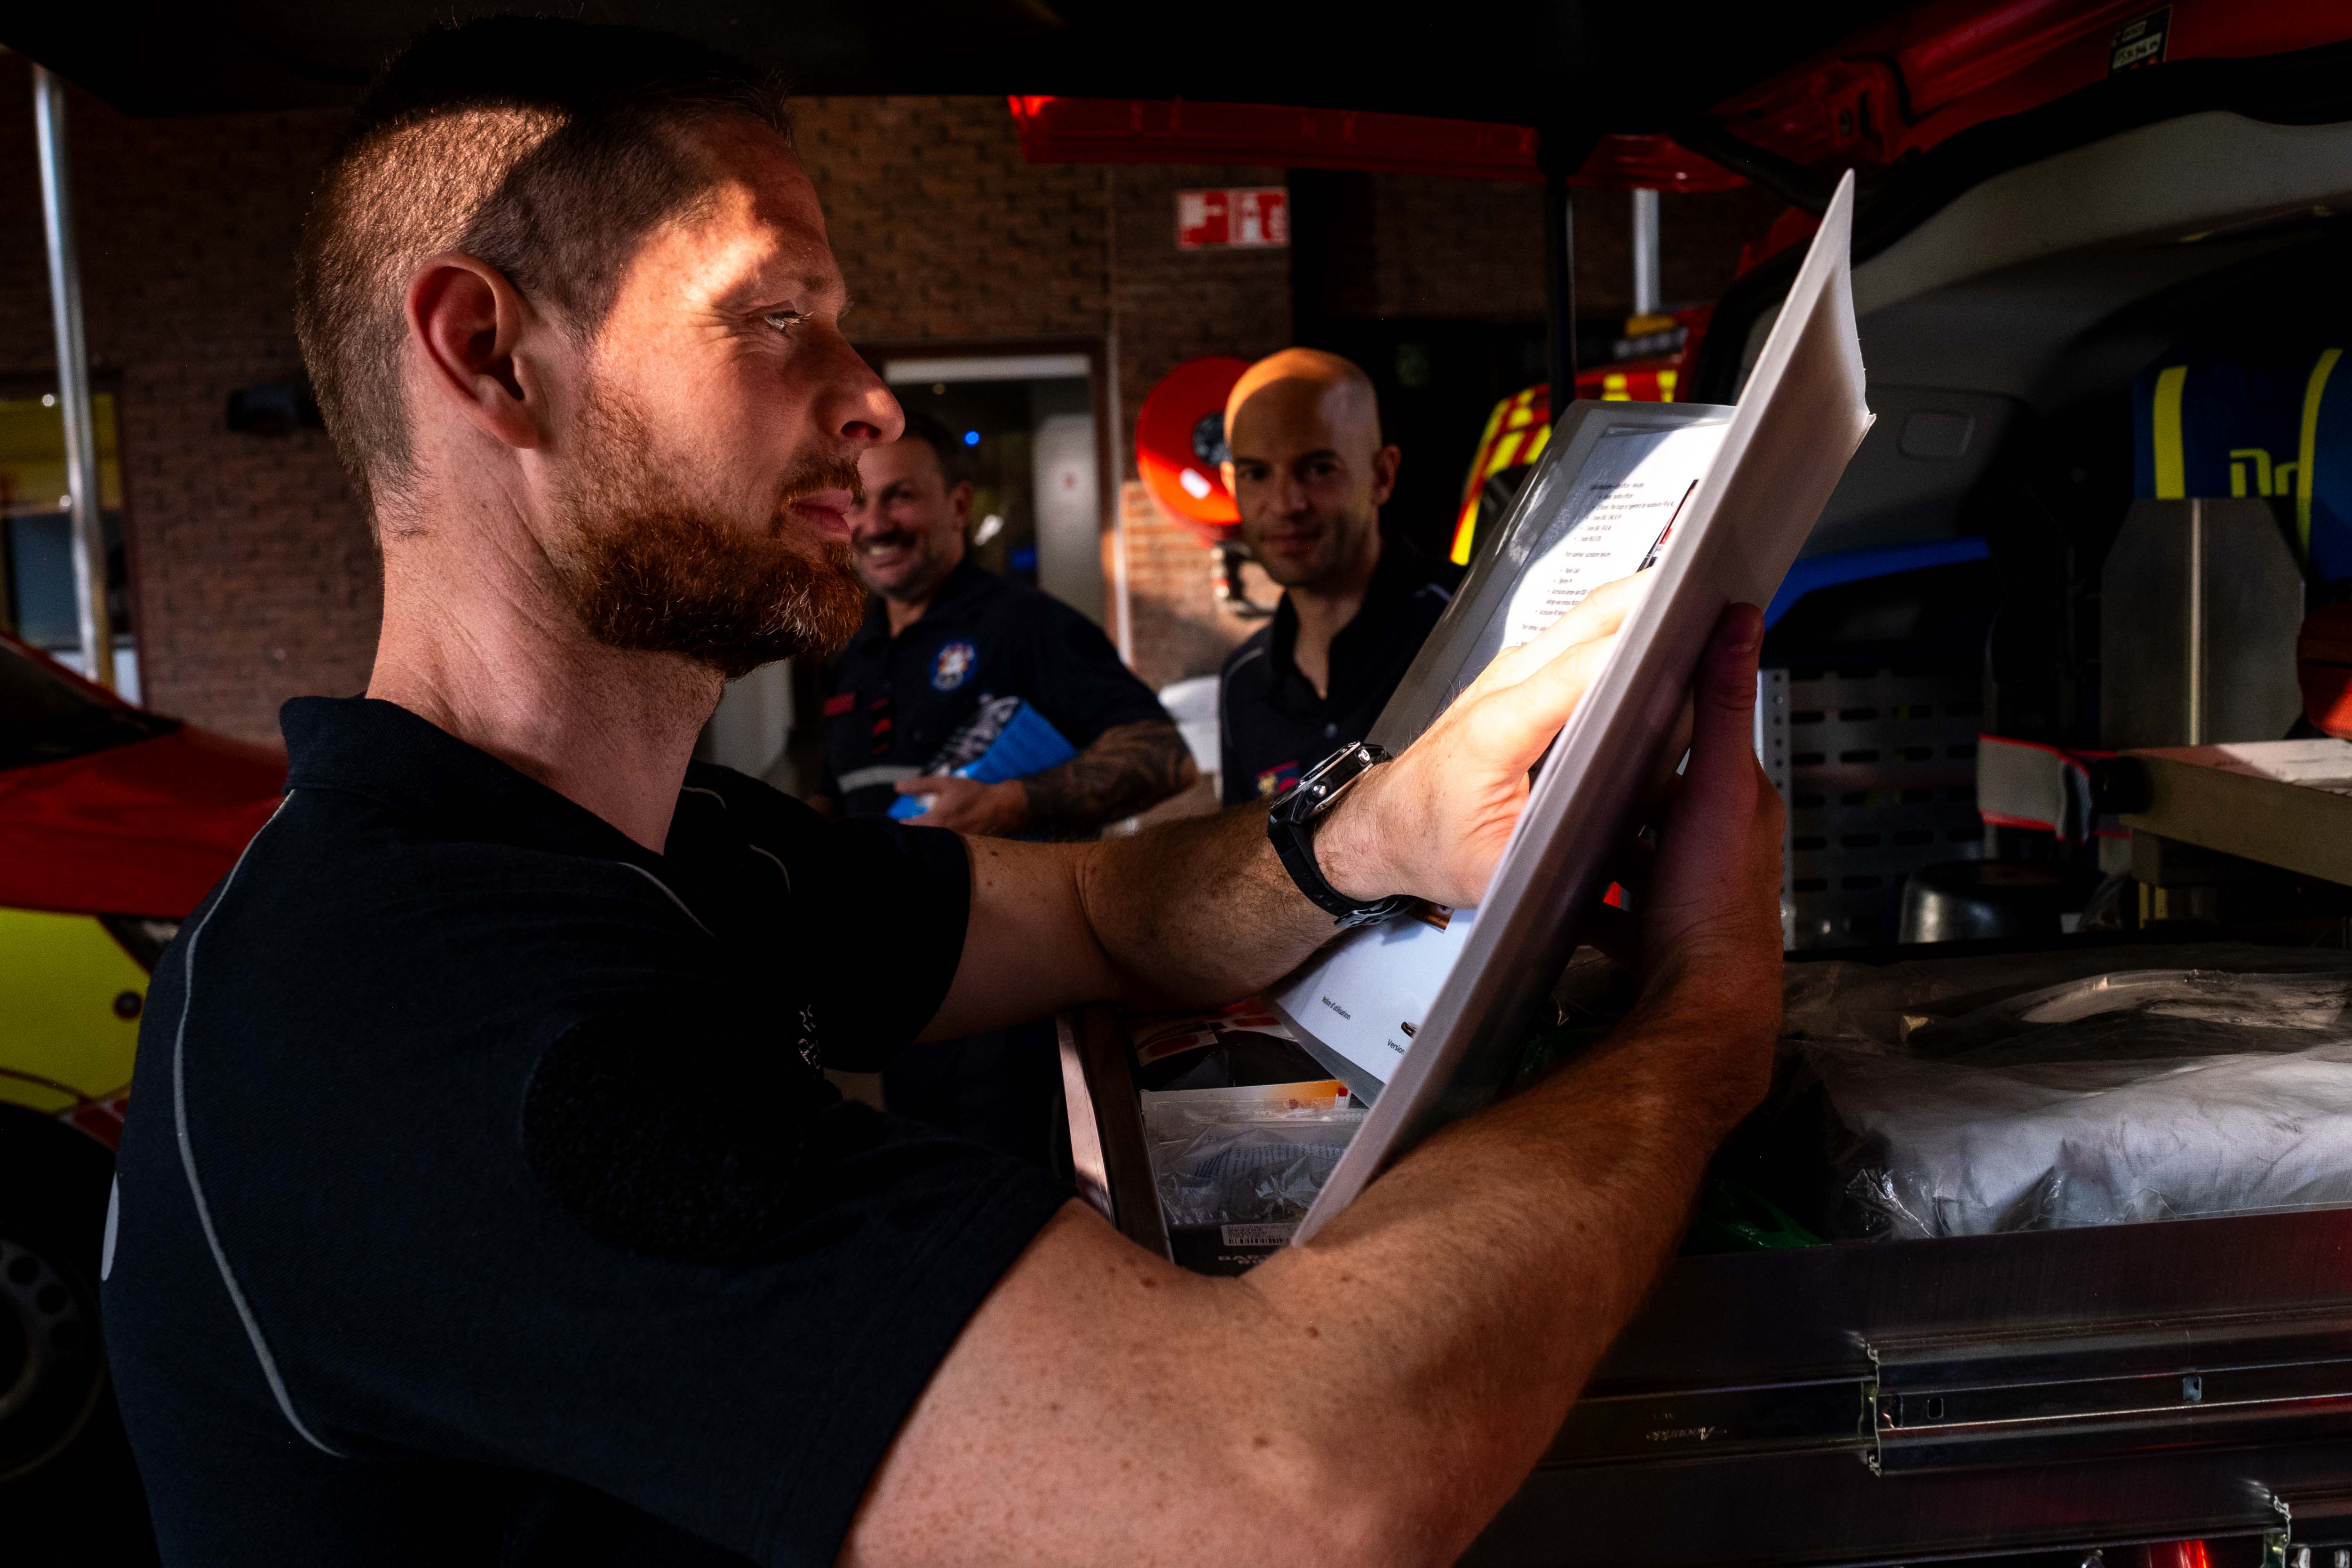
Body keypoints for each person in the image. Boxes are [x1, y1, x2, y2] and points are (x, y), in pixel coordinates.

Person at [101, 20, 1784, 1568]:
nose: (872, 400)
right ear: (489, 354)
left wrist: (1376, 831)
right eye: (774, 315)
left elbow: (1091, 908)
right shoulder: (425, 1017)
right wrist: (1699, 1027)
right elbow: (1288, 1493)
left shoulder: (653, 855)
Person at [818, 412, 1194, 1160]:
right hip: (907, 1005)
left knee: (1031, 1204)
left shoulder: (1026, 627)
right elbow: (841, 803)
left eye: (901, 497)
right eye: (859, 503)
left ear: (958, 505)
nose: (875, 525)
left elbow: (1165, 757)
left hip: (1019, 1008)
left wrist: (1008, 803)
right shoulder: (853, 654)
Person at [1217, 349, 1463, 803]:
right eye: (1257, 474)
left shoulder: (1470, 622)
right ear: (1232, 486)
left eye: (1318, 469)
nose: (1286, 504)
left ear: (1382, 476)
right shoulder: (1242, 682)